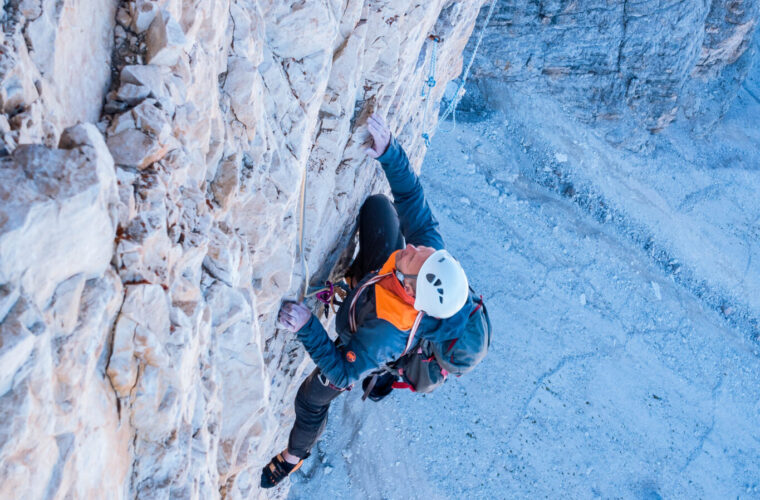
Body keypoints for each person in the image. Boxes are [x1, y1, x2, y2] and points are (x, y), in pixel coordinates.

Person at [261, 113, 475, 489]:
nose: (415, 247)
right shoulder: (428, 259)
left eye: (415, 256)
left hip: (359, 332)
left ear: (413, 291)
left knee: (312, 399)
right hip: (376, 287)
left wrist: (307, 325)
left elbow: (343, 373)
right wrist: (390, 152)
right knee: (379, 208)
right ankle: (353, 279)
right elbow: (412, 202)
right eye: (423, 251)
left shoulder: (387, 337)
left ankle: (294, 457)